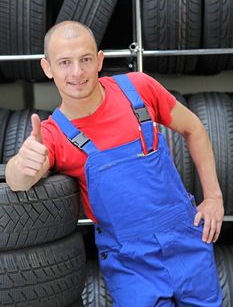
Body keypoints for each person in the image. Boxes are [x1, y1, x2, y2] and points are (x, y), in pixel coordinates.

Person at [6, 20, 224, 306]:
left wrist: (213, 197)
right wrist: (21, 166)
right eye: (64, 63)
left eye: (85, 59)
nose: (76, 72)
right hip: (130, 263)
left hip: (187, 244)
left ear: (99, 60)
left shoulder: (139, 89)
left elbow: (193, 128)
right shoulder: (53, 135)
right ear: (47, 68)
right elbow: (15, 180)